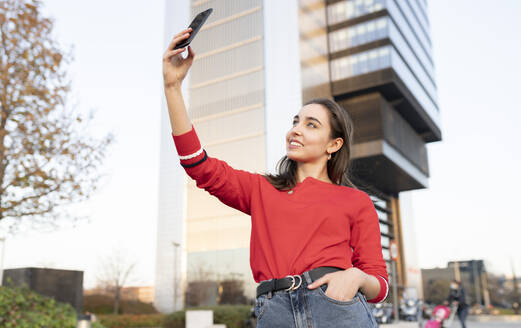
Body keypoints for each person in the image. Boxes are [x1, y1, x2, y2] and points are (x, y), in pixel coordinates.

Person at [163, 27, 389, 327]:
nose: (296, 129)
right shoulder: (261, 190)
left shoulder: (356, 201)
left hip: (337, 309)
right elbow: (198, 165)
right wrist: (172, 87)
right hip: (275, 311)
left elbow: (379, 283)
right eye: (296, 121)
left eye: (311, 125)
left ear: (333, 144)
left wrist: (356, 276)